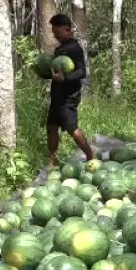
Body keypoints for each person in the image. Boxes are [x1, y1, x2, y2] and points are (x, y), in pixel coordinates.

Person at [47, 14, 95, 166]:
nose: (54, 34)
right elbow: (56, 72)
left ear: (68, 30)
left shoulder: (75, 48)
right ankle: (53, 159)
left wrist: (65, 79)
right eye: (53, 31)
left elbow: (82, 72)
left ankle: (90, 156)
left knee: (71, 128)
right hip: (57, 95)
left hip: (69, 96)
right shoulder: (59, 48)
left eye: (57, 31)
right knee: (51, 127)